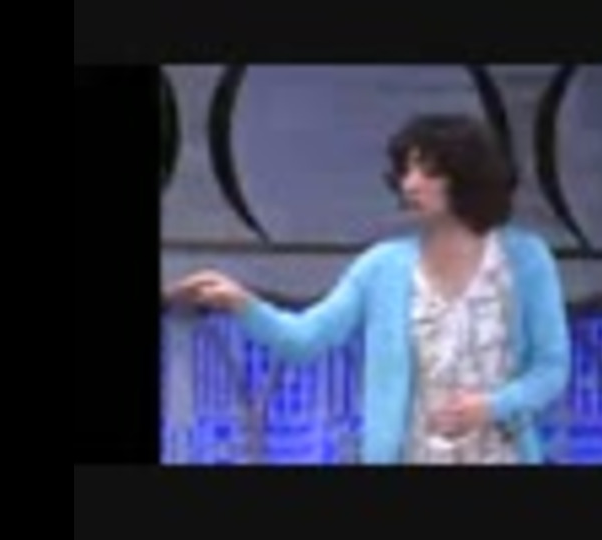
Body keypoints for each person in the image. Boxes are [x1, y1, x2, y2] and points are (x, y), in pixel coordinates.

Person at [165, 114, 570, 465]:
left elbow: (552, 368)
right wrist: (240, 303)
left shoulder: (526, 259)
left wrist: (493, 406)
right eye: (406, 171)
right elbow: (304, 339)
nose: (410, 184)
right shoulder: (382, 267)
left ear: (466, 176)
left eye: (427, 172)